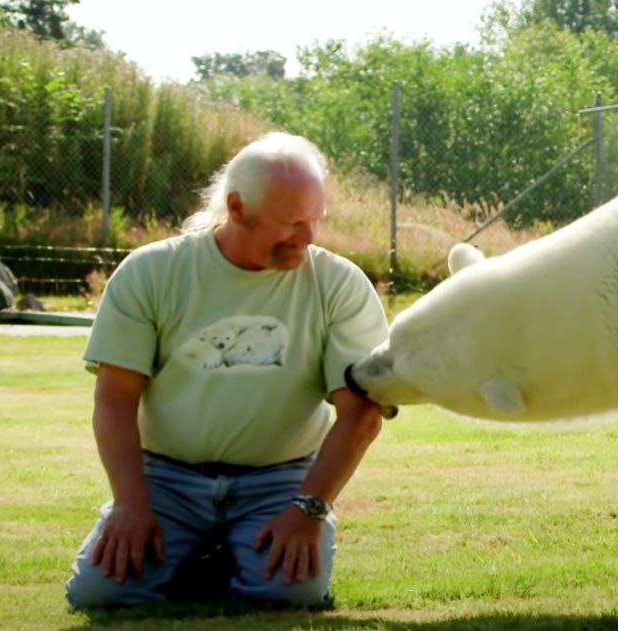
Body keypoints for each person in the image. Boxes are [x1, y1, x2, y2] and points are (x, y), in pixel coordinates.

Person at [64, 132, 389, 609]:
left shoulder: (339, 285)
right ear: (237, 208)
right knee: (100, 596)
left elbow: (361, 413)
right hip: (165, 478)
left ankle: (221, 556)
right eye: (292, 222)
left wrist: (309, 508)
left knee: (286, 596)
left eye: (316, 220)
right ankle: (210, 554)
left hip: (282, 480)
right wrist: (131, 505)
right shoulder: (150, 272)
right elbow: (114, 399)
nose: (310, 236)